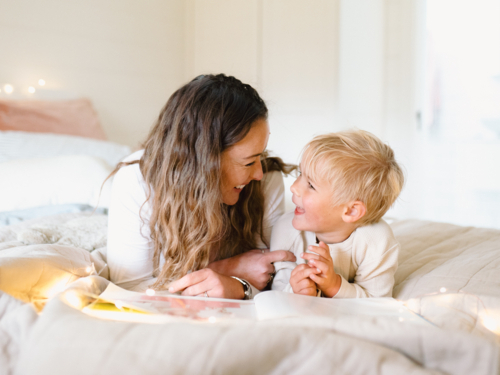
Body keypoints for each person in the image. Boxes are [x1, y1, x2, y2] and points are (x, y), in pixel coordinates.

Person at [107, 74, 296, 300]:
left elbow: (273, 273)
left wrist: (239, 286)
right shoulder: (137, 182)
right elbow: (129, 287)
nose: (258, 173)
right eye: (247, 162)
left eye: (260, 155)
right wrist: (226, 269)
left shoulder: (265, 181)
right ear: (203, 163)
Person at [270, 130, 404, 298]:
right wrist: (296, 290)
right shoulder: (286, 228)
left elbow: (377, 302)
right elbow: (277, 289)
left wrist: (334, 286)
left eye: (311, 185)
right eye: (300, 174)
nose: (294, 187)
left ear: (351, 211)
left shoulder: (377, 240)